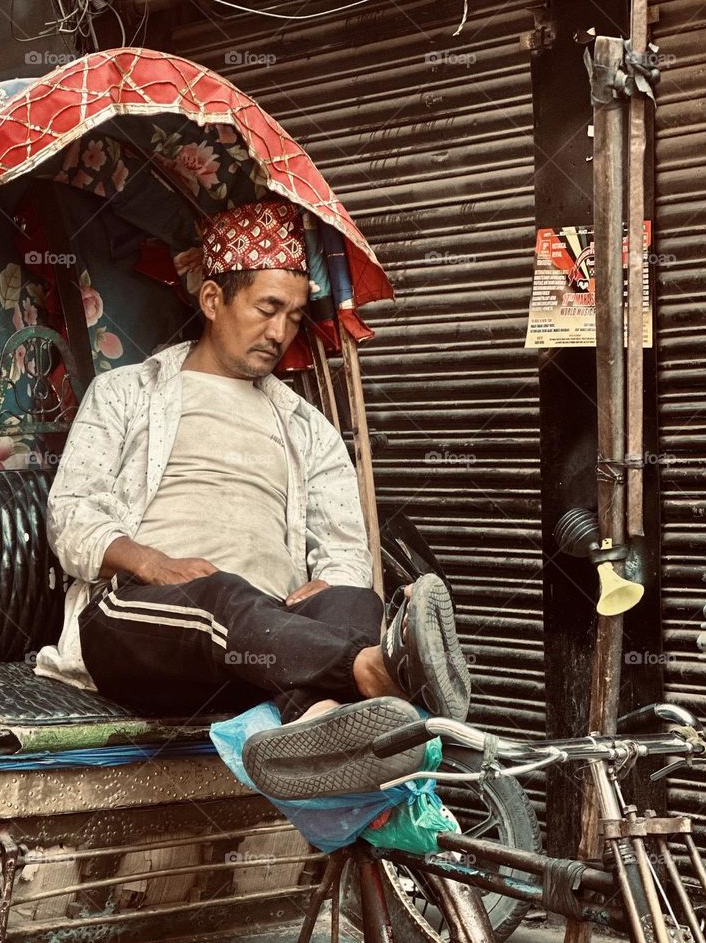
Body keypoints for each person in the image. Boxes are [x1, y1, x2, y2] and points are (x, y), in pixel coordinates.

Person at [35, 199, 470, 795]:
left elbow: (345, 546)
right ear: (213, 300)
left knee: (352, 599)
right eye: (267, 309)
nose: (280, 332)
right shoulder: (126, 393)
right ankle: (376, 670)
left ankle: (319, 721)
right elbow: (72, 513)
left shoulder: (305, 423)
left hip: (269, 642)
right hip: (142, 626)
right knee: (227, 596)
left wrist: (332, 580)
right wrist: (147, 560)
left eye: (293, 316)